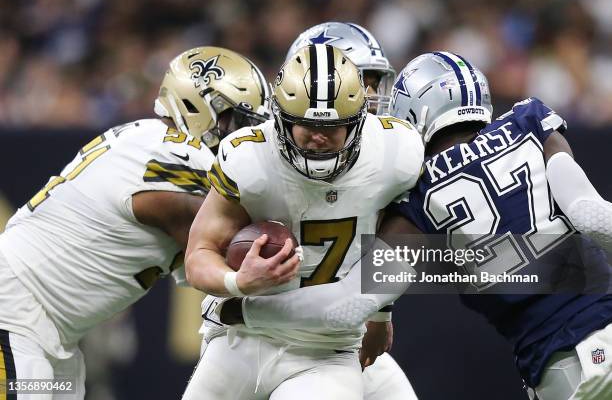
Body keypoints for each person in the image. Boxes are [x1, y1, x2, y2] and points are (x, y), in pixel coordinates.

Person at [214, 51, 612, 400]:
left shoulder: (415, 199)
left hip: (563, 362)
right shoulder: (529, 120)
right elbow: (589, 214)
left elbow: (346, 307)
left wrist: (246, 312)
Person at [0, 46, 270, 399]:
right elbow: (216, 234)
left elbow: (202, 264)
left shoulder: (146, 139)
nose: (242, 136)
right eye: (235, 120)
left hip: (50, 329)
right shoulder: (175, 151)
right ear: (199, 107)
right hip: (15, 312)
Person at [183, 44, 423, 400]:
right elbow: (198, 255)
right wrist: (238, 280)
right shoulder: (249, 158)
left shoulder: (394, 153)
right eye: (307, 126)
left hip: (326, 352)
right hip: (239, 343)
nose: (319, 137)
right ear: (281, 119)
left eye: (333, 127)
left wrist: (381, 312)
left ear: (358, 122)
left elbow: (390, 245)